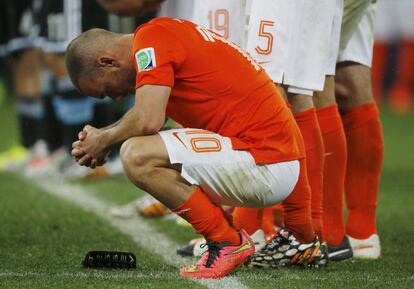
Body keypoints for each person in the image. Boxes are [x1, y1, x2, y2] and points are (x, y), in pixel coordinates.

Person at [66, 17, 326, 278]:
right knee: (145, 146)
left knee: (136, 155)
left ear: (107, 61)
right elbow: (147, 118)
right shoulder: (162, 34)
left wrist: (103, 139)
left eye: (107, 91)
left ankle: (226, 241)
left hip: (263, 165)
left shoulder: (150, 44)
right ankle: (235, 235)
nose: (118, 97)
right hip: (273, 160)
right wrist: (103, 137)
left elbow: (147, 119)